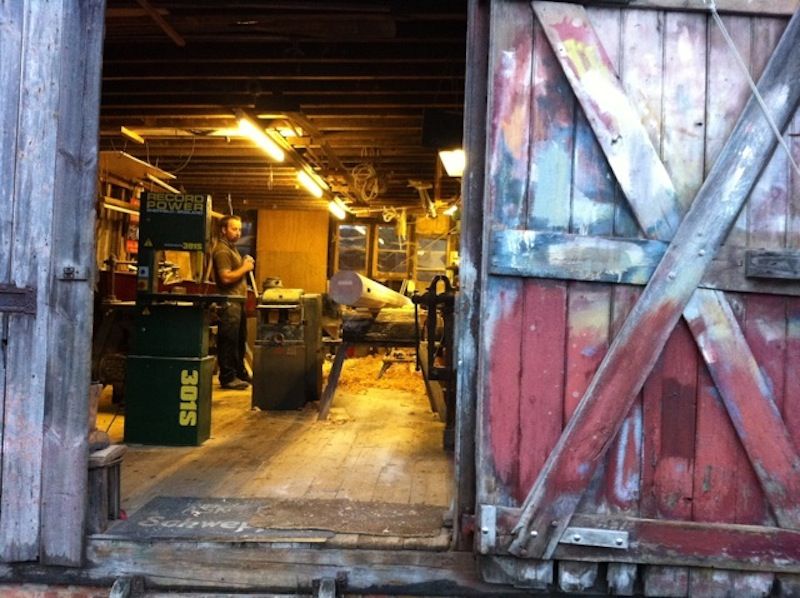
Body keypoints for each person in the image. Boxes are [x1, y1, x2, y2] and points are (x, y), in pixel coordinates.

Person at [212, 215, 254, 390]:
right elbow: (225, 277)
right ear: (223, 230)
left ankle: (239, 373)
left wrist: (243, 262)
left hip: (237, 302)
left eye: (239, 230)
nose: (238, 233)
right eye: (234, 229)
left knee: (238, 340)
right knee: (229, 341)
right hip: (229, 303)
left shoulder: (232, 249)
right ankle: (228, 377)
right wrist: (245, 268)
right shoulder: (222, 250)